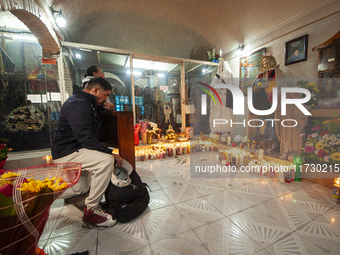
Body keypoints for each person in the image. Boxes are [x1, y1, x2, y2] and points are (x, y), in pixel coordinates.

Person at [52, 76, 123, 227]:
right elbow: (86, 139)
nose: (105, 99)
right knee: (106, 161)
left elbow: (89, 112)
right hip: (68, 152)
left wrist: (102, 107)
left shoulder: (84, 102)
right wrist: (110, 152)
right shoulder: (77, 104)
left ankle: (39, 195)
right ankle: (92, 211)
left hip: (75, 149)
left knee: (80, 189)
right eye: (105, 95)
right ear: (95, 90)